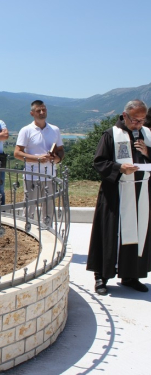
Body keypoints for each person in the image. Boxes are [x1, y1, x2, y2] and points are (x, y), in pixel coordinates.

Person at [87, 100, 151, 295]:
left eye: (142, 120)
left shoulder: (148, 134)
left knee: (138, 233)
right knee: (109, 232)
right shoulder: (110, 135)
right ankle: (101, 276)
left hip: (141, 193)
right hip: (116, 193)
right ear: (125, 115)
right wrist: (119, 168)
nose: (139, 124)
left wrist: (148, 152)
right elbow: (99, 162)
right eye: (135, 120)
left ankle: (131, 275)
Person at [14, 100, 64, 223]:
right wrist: (37, 159)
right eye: (38, 110)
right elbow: (17, 153)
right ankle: (27, 230)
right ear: (32, 113)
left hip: (50, 175)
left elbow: (61, 150)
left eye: (44, 109)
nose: (42, 112)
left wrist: (57, 158)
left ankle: (47, 229)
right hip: (32, 175)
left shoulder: (55, 129)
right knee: (29, 207)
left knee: (49, 208)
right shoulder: (26, 130)